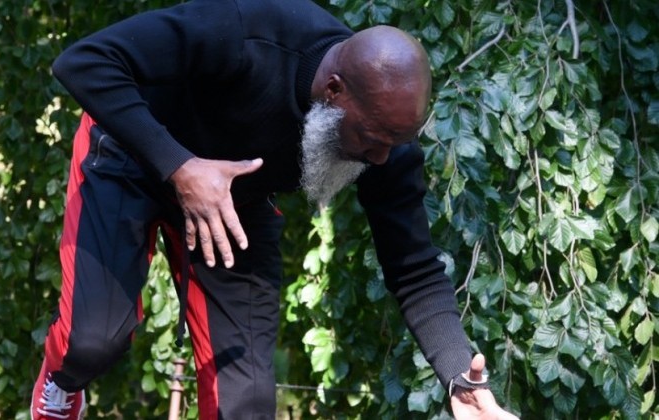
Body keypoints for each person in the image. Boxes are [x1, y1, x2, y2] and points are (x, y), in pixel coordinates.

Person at [31, 0, 519, 419]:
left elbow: (414, 269)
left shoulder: (386, 139)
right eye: (371, 141)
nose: (380, 159)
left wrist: (460, 377)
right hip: (130, 155)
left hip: (233, 203)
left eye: (394, 144)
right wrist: (181, 167)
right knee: (92, 343)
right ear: (333, 91)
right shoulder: (243, 28)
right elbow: (85, 61)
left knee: (246, 403)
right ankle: (61, 384)